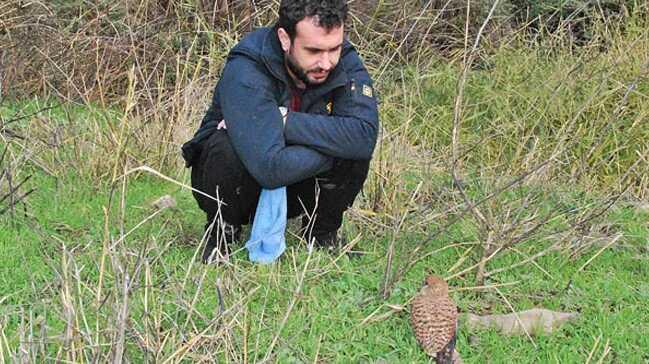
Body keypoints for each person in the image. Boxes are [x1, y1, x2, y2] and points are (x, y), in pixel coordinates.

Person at [182, 0, 379, 263]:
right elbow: (269, 169)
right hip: (238, 186)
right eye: (313, 51)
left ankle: (321, 234)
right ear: (285, 39)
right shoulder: (247, 66)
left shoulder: (344, 59)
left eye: (334, 49)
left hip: (296, 182)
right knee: (225, 146)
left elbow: (364, 136)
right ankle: (222, 232)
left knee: (354, 152)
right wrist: (337, 146)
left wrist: (283, 121)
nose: (327, 62)